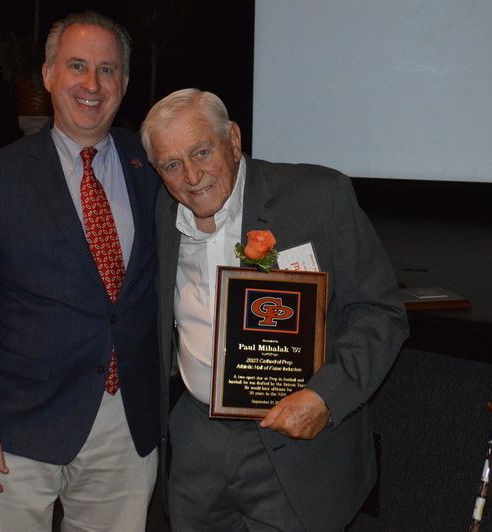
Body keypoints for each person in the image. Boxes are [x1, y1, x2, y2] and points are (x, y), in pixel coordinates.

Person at [140, 88, 409, 531]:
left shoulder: (317, 198)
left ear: (233, 139)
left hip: (297, 447)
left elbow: (380, 312)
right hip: (197, 445)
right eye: (171, 164)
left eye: (201, 152)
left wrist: (327, 397)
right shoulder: (161, 215)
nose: (191, 175)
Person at [0, 11, 160, 531]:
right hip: (16, 429)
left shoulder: (154, 165)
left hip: (125, 423)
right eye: (77, 66)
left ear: (125, 81)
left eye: (107, 69)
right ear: (47, 74)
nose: (92, 84)